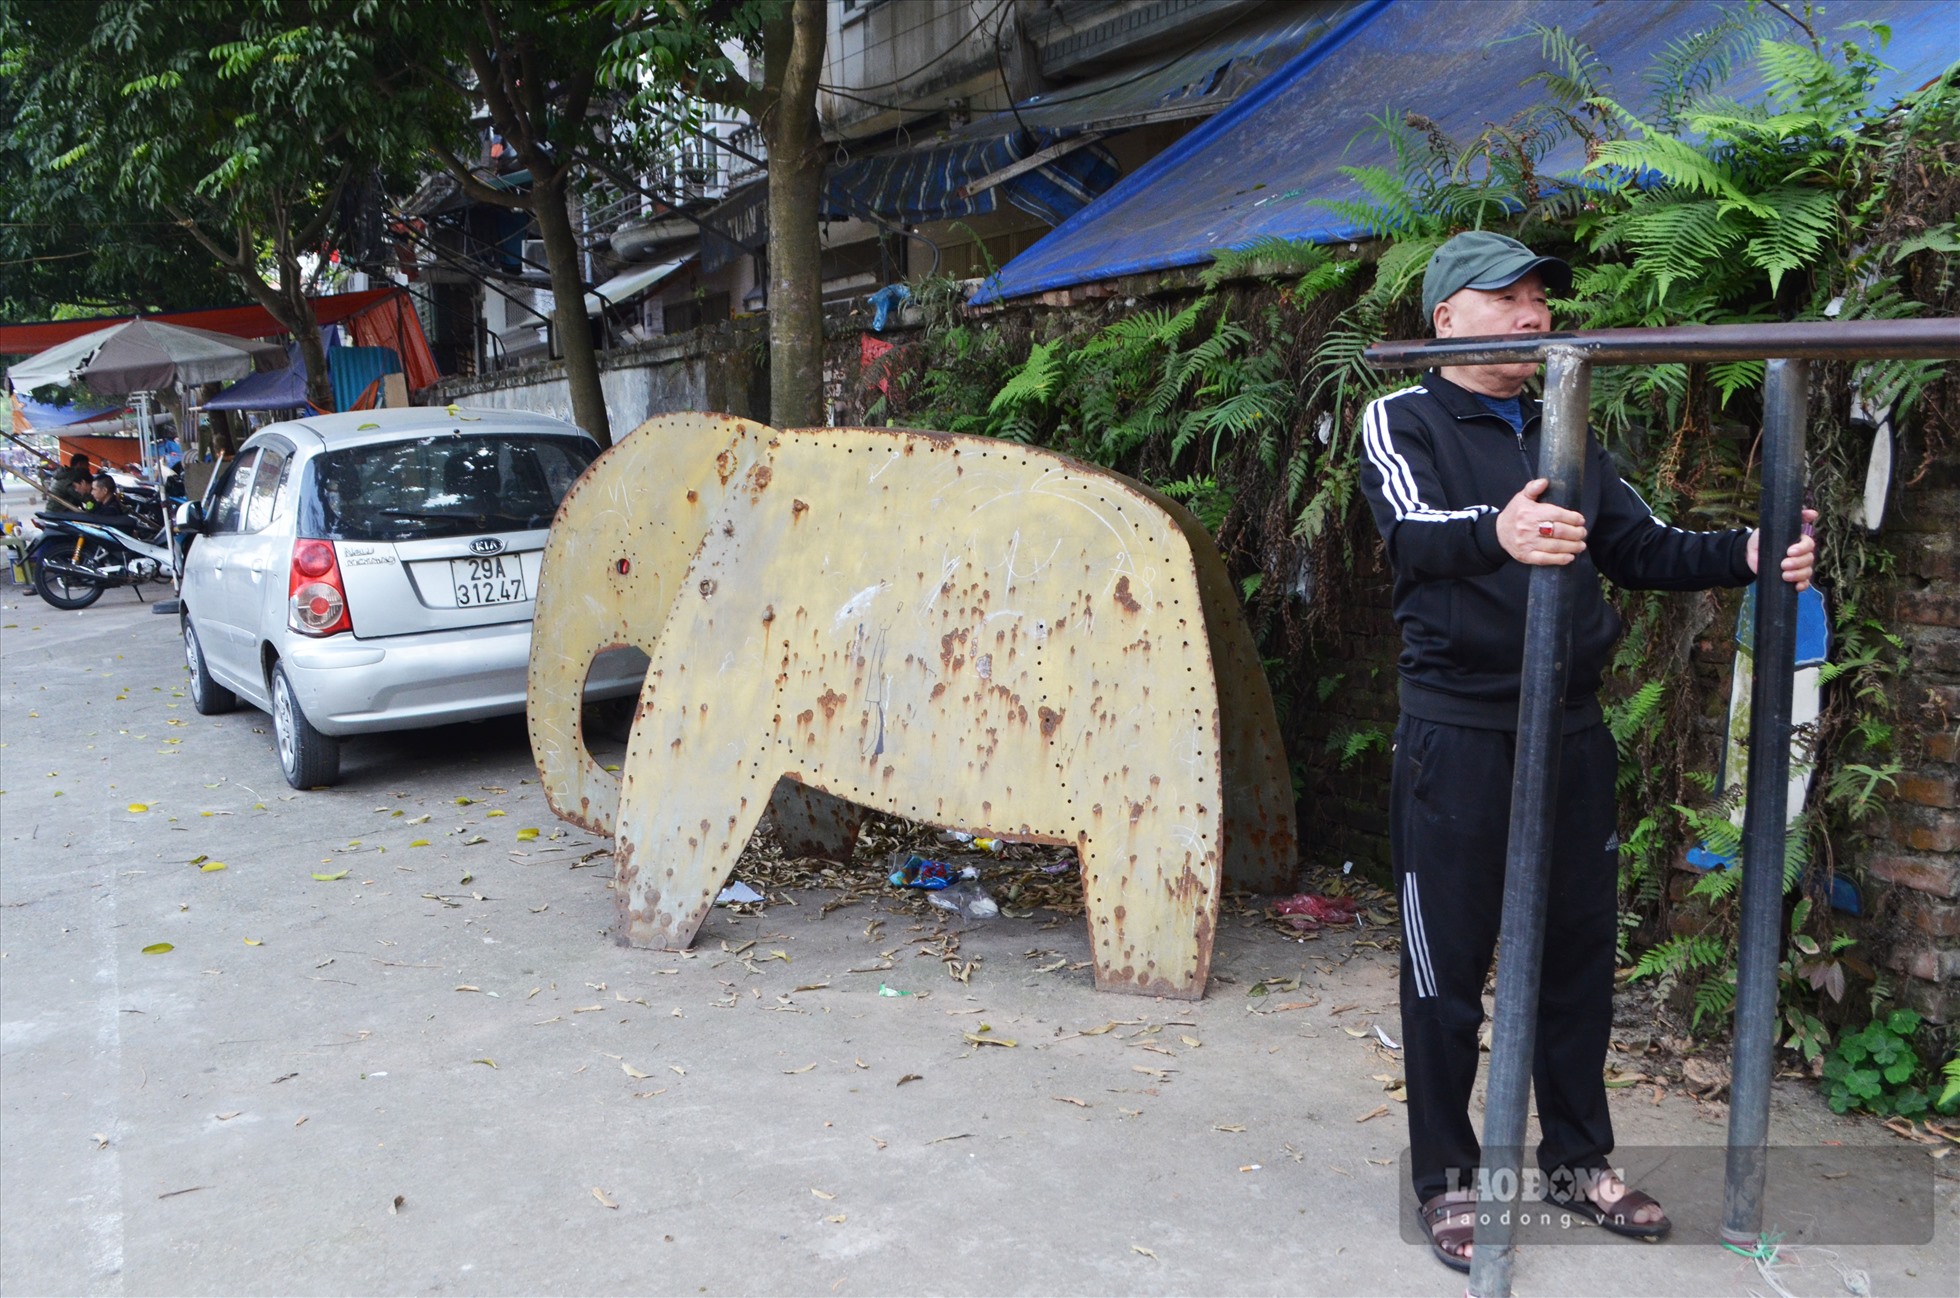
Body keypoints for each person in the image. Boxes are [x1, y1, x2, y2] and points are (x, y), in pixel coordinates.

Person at [1357, 230, 1816, 1273]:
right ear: (1444, 318)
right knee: (1446, 969)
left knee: (1576, 960)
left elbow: (1639, 545)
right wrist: (1497, 533)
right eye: (1504, 297)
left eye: (1539, 300)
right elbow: (1413, 528)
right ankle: (1447, 1178)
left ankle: (1575, 1158)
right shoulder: (1403, 415)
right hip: (1461, 733)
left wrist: (1748, 551)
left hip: (1569, 731)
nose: (1531, 315)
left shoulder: (1562, 431)